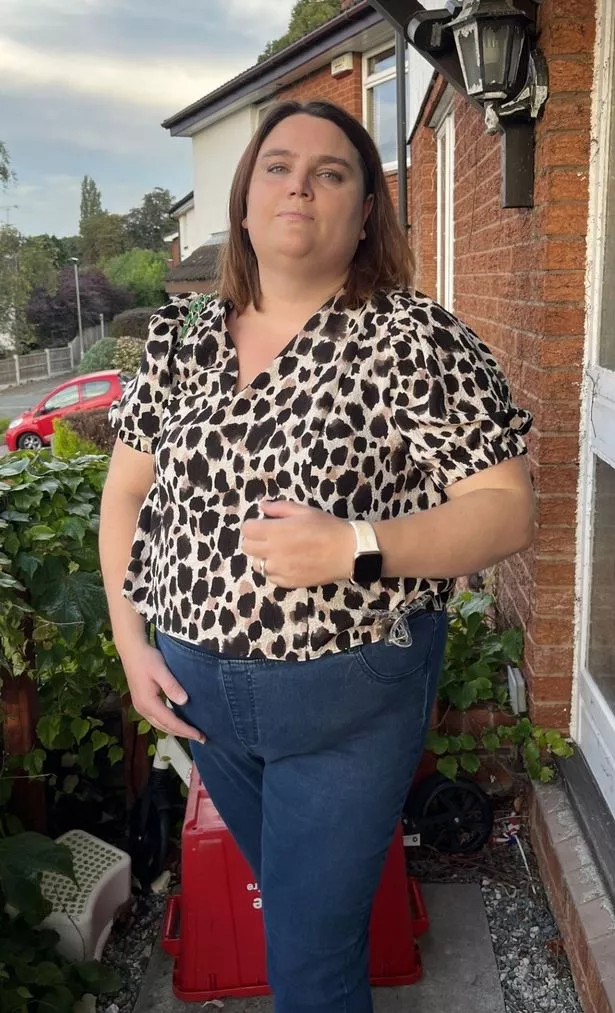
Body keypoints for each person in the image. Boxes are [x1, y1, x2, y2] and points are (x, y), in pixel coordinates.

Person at [99, 99, 534, 1013]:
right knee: (294, 907)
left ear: (365, 211)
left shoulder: (411, 338)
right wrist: (132, 646)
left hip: (347, 702)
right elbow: (127, 495)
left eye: (330, 173)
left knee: (309, 957)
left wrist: (355, 545)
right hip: (202, 703)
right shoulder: (178, 340)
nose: (299, 184)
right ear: (244, 200)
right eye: (278, 166)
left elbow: (505, 511)